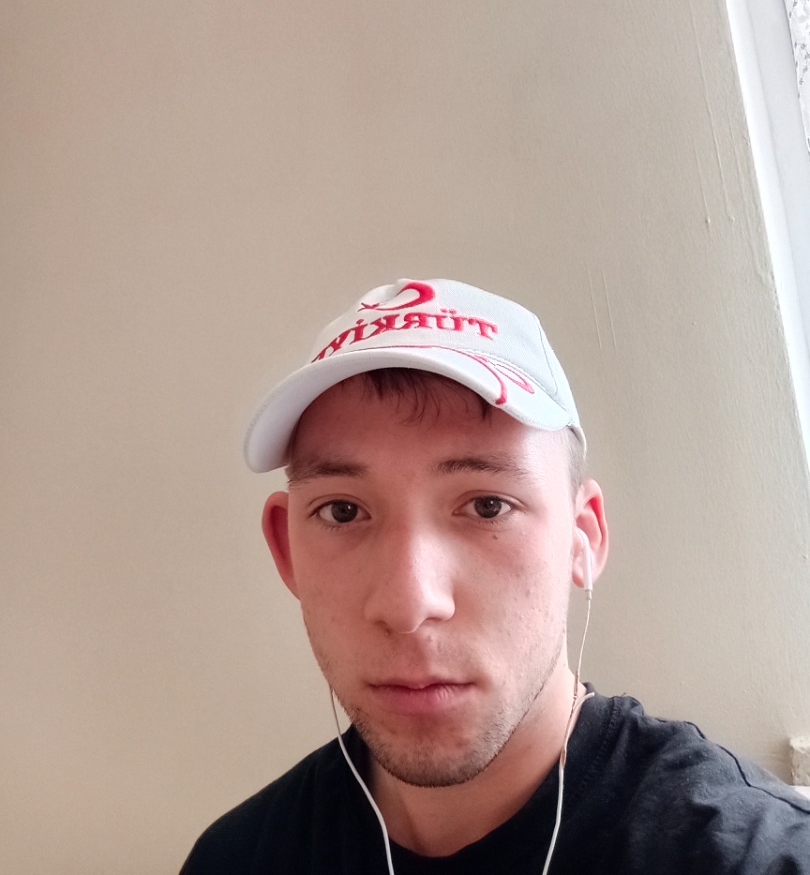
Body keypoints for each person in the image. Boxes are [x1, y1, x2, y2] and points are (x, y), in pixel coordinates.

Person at [180, 278, 810, 873]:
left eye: (487, 506)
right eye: (343, 512)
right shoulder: (236, 859)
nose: (409, 604)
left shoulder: (753, 856)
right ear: (287, 550)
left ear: (583, 538)